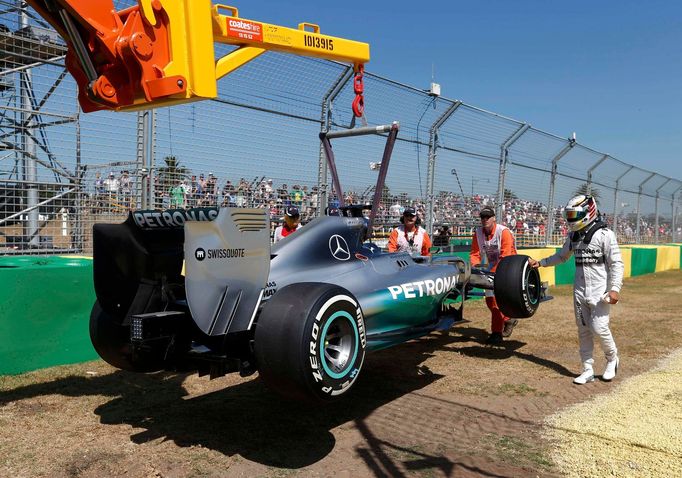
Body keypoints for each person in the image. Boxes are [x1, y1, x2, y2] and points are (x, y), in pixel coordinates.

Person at [528, 195, 623, 384]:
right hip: (579, 289)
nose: (571, 219)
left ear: (588, 212)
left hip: (599, 292)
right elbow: (562, 256)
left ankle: (612, 359)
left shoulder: (605, 235)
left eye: (574, 214)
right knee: (583, 329)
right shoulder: (573, 236)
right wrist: (541, 263)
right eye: (569, 215)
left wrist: (614, 289)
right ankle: (587, 369)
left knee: (599, 327)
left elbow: (616, 264)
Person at [470, 206, 518, 344]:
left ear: (494, 218)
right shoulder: (478, 233)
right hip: (492, 267)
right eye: (482, 217)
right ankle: (508, 319)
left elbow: (506, 256)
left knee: (496, 300)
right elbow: (474, 254)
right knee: (489, 300)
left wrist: (489, 274)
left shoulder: (504, 232)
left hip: (510, 267)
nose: (485, 220)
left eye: (487, 217)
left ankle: (496, 333)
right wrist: (476, 269)